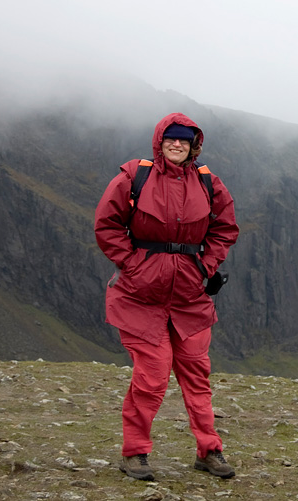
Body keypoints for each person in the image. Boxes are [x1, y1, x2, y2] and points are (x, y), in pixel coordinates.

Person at [94, 113, 240, 481]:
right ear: (160, 141)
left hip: (190, 298)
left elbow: (225, 226)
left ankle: (209, 450)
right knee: (152, 378)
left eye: (184, 141)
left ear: (194, 146)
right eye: (171, 139)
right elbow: (107, 224)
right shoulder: (134, 177)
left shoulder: (208, 182)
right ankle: (135, 453)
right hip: (140, 297)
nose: (177, 145)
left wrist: (206, 266)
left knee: (197, 376)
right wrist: (133, 265)